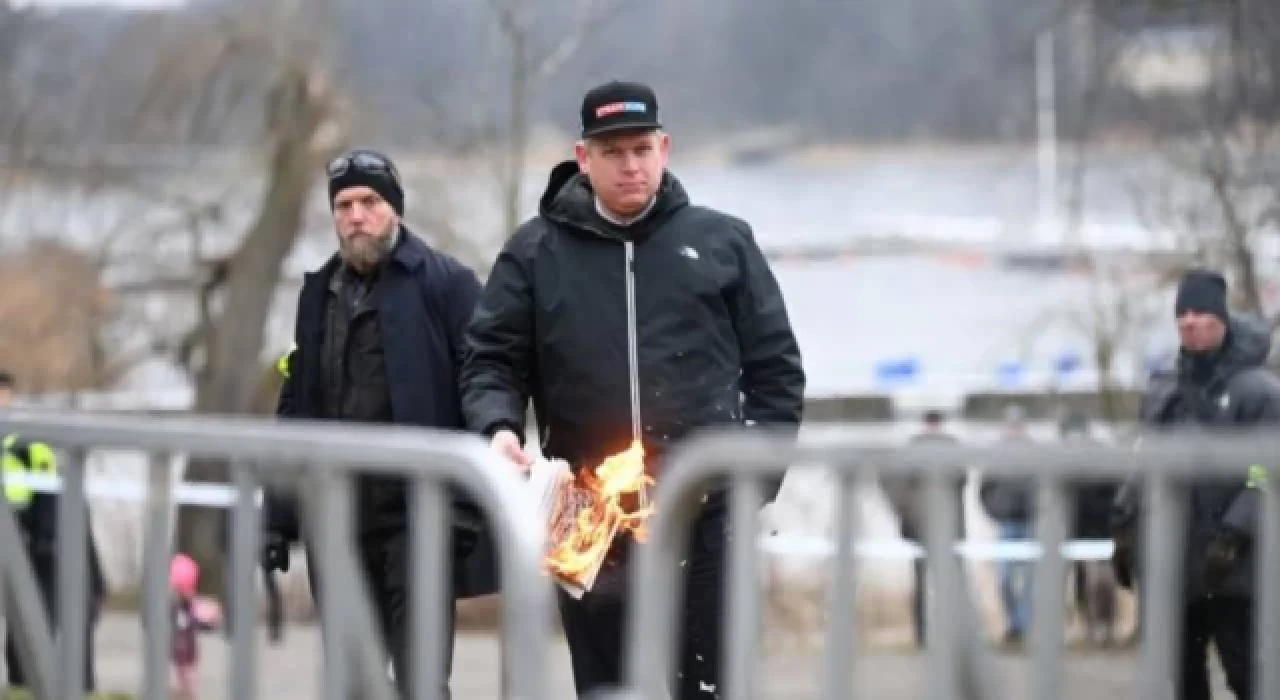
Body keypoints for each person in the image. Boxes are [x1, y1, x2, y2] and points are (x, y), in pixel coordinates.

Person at [461, 80, 806, 699]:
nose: (630, 165)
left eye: (641, 149)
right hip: (583, 516)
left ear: (665, 148)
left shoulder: (724, 243)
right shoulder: (534, 253)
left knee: (708, 686)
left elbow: (777, 372)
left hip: (706, 511)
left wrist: (755, 479)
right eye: (613, 151)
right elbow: (490, 360)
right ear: (582, 155)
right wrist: (499, 427)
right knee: (607, 687)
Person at [260, 149, 496, 698]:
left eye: (370, 201)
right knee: (349, 681)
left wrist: (469, 503)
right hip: (336, 521)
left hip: (418, 520)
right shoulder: (317, 294)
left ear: (395, 209)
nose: (356, 215)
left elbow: (486, 387)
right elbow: (297, 407)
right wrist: (278, 516)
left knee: (420, 679)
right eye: (344, 204)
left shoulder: (448, 285)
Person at [1111, 269, 1280, 700]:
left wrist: (1235, 533)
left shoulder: (1257, 392)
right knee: (1182, 682)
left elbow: (1266, 472)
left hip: (1235, 571)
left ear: (1222, 319)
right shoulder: (1164, 392)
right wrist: (1123, 525)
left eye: (1201, 312)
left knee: (1250, 678)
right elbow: (1142, 461)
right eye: (1182, 314)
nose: (1189, 321)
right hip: (1171, 566)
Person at [0, 370, 107, 691]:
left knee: (47, 637)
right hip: (32, 546)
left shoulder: (27, 440)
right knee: (29, 639)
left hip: (44, 546)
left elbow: (58, 496)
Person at [881, 409, 965, 647]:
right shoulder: (947, 448)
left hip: (934, 526)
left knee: (937, 583)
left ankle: (933, 635)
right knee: (933, 583)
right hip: (927, 526)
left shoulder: (929, 448)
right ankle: (928, 635)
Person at [1060, 411, 1119, 646]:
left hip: (1103, 530)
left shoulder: (1102, 460)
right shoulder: (1067, 463)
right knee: (1085, 582)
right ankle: (1092, 627)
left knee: (1102, 582)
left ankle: (1105, 627)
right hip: (1079, 531)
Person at [979, 403, 1035, 645]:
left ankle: (1025, 628)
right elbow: (984, 490)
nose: (1015, 430)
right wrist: (996, 512)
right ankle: (1015, 625)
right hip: (1007, 524)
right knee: (1004, 578)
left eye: (1018, 425)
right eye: (1011, 425)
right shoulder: (996, 454)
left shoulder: (1036, 453)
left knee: (1030, 581)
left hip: (1031, 524)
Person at [169, 553, 220, 699]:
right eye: (182, 589)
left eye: (189, 588)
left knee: (189, 691)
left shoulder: (193, 607)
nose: (186, 593)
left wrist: (212, 619)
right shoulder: (170, 607)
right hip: (172, 658)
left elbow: (208, 622)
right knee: (174, 689)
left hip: (190, 658)